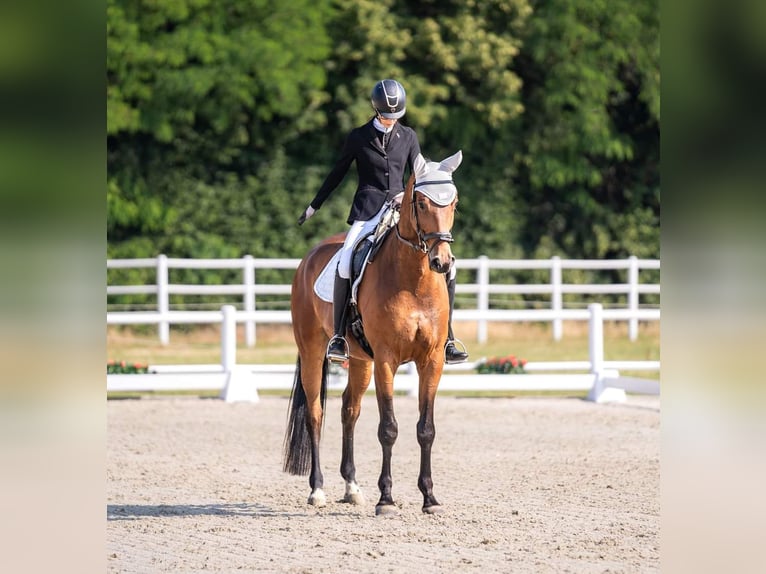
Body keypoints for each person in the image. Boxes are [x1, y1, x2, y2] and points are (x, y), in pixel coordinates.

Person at [298, 79, 468, 365]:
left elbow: (419, 171)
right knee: (345, 259)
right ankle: (339, 336)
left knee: (449, 265)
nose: (391, 122)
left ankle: (448, 338)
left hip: (401, 207)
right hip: (368, 208)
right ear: (376, 111)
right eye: (386, 117)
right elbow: (337, 173)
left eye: (395, 117)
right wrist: (315, 205)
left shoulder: (409, 136)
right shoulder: (358, 137)